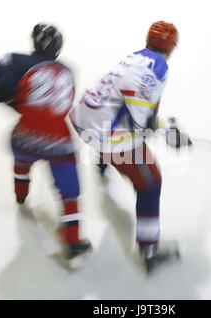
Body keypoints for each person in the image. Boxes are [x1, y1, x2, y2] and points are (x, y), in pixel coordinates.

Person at [69, 21, 191, 273]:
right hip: (106, 137)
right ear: (172, 48)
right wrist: (170, 131)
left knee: (111, 134)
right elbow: (141, 123)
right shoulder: (158, 68)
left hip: (82, 121)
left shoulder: (134, 57)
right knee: (150, 183)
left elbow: (124, 103)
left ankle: (101, 165)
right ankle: (149, 250)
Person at [0, 23, 91, 262]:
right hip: (59, 142)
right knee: (70, 193)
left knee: (22, 161)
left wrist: (18, 105)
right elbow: (64, 104)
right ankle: (73, 242)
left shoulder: (15, 60)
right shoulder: (69, 71)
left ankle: (20, 196)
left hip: (24, 136)